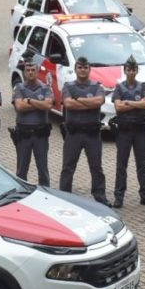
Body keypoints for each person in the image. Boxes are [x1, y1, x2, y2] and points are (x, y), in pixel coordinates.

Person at [59, 55, 109, 205]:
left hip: (92, 134)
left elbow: (99, 101)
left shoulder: (97, 86)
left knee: (96, 167)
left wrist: (78, 100)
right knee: (68, 167)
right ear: (75, 69)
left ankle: (100, 196)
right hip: (73, 133)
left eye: (85, 67)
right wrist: (89, 103)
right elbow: (68, 104)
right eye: (80, 67)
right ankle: (64, 196)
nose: (82, 70)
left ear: (89, 69)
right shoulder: (68, 86)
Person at [110, 55, 145, 208]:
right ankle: (119, 196)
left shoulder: (143, 86)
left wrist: (129, 102)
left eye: (133, 69)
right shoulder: (119, 87)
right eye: (129, 69)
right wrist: (138, 104)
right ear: (125, 71)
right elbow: (119, 107)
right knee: (121, 165)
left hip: (140, 131)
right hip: (124, 131)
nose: (131, 72)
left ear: (137, 71)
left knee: (141, 164)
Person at [11, 55, 53, 186]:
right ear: (24, 72)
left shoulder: (46, 88)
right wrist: (38, 104)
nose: (30, 72)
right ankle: (22, 194)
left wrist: (29, 100)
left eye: (32, 70)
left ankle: (46, 195)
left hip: (40, 135)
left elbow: (47, 106)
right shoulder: (19, 88)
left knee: (43, 169)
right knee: (21, 169)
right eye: (27, 70)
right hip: (24, 135)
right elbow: (19, 106)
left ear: (37, 70)